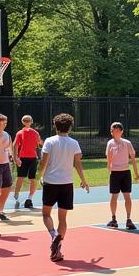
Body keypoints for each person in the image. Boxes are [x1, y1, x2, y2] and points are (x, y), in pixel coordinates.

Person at [37, 112, 90, 261]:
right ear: (70, 127)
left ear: (55, 126)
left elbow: (44, 162)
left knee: (46, 214)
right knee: (63, 218)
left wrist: (40, 175)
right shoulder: (74, 143)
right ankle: (57, 248)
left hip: (51, 182)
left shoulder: (49, 141)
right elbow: (78, 164)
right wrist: (83, 180)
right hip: (67, 183)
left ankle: (54, 235)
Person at [105, 122, 139, 229]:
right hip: (115, 173)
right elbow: (108, 159)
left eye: (117, 130)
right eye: (112, 130)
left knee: (127, 196)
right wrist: (109, 167)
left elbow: (133, 159)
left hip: (125, 173)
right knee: (114, 196)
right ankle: (113, 218)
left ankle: (128, 219)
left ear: (121, 131)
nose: (114, 132)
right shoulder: (110, 143)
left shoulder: (127, 143)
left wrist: (136, 172)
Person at [12, 114, 43, 209]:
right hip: (30, 158)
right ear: (31, 122)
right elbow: (41, 144)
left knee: (22, 177)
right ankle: (27, 197)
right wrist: (16, 157)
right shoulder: (34, 133)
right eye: (27, 121)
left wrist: (15, 157)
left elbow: (15, 146)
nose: (27, 122)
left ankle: (19, 196)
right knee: (30, 178)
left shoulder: (20, 133)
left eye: (27, 121)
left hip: (26, 157)